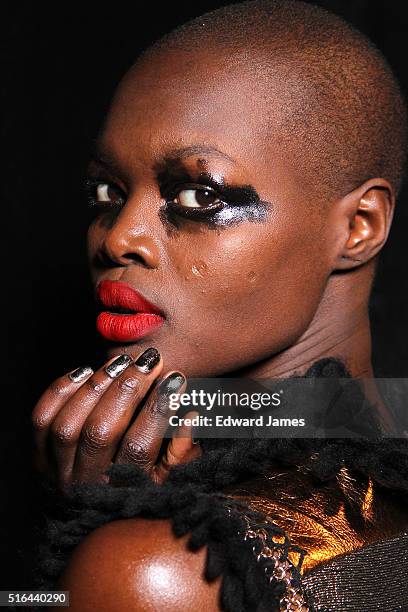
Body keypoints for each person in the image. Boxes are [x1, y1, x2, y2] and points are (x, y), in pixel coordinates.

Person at [31, 0, 408, 610]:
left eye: (197, 193)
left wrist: (84, 533)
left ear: (359, 227)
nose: (118, 237)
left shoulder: (159, 569)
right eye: (108, 191)